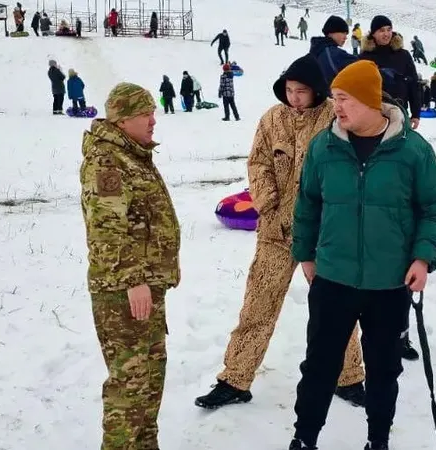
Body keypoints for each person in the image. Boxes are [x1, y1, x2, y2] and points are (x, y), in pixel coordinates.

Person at [287, 60, 436, 450]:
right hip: (333, 279)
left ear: (369, 100)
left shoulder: (412, 150)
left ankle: (378, 440)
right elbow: (307, 205)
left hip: (389, 282)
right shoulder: (324, 146)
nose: (336, 107)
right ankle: (304, 438)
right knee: (319, 366)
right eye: (334, 98)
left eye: (344, 99)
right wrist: (305, 255)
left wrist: (423, 258)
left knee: (383, 370)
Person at [194, 54, 368, 411]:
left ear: (316, 90)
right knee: (257, 306)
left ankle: (349, 376)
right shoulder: (272, 119)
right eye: (289, 91)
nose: (294, 98)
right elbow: (258, 162)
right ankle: (235, 379)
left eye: (301, 91)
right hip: (277, 230)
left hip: (324, 234)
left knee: (336, 308)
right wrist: (268, 203)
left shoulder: (334, 120)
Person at [79, 82, 181, 449]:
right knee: (129, 391)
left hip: (144, 288)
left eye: (153, 112)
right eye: (145, 114)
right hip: (123, 293)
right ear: (122, 120)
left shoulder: (131, 155)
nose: (153, 121)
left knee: (149, 382)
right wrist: (134, 280)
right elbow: (106, 230)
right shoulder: (108, 160)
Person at [359, 16, 422, 140]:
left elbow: (413, 85)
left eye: (389, 29)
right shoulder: (364, 57)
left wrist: (416, 114)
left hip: (400, 111)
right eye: (381, 30)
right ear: (373, 33)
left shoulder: (403, 55)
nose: (386, 34)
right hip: (374, 114)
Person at [309, 15, 357, 86]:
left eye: (346, 34)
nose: (345, 37)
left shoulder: (319, 49)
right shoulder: (331, 53)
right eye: (343, 33)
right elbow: (361, 65)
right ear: (331, 32)